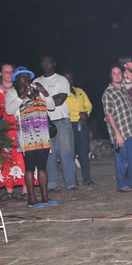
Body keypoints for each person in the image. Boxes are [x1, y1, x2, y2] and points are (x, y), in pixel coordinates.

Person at [6, 67, 54, 207]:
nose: (26, 79)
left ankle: (45, 197)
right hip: (27, 135)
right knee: (29, 168)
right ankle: (31, 198)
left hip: (43, 134)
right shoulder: (12, 93)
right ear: (16, 80)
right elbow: (9, 110)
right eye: (22, 77)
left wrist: (44, 92)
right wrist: (22, 95)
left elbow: (51, 106)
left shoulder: (37, 91)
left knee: (42, 167)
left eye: (28, 76)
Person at [35, 55, 76, 191]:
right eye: (44, 62)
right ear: (41, 64)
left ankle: (71, 183)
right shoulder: (36, 81)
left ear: (54, 63)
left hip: (61, 120)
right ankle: (53, 183)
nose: (46, 64)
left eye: (49, 61)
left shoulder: (62, 80)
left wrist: (44, 97)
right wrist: (49, 99)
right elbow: (34, 102)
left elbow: (59, 101)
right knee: (49, 155)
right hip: (43, 121)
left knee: (66, 153)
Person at [102, 65, 132, 192]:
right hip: (118, 135)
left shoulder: (123, 90)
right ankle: (122, 185)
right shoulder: (108, 93)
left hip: (129, 131)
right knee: (121, 161)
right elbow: (109, 115)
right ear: (110, 76)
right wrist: (117, 133)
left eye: (119, 73)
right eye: (114, 73)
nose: (117, 75)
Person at [1, 63, 28, 200]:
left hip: (19, 127)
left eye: (12, 72)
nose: (9, 74)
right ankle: (9, 191)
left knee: (22, 159)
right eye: (6, 72)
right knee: (6, 160)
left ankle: (25, 190)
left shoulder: (18, 89)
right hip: (4, 129)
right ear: (1, 74)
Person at [63, 71, 94, 185]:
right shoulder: (62, 93)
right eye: (66, 79)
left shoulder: (80, 91)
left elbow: (89, 105)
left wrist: (86, 114)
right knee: (71, 153)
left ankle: (87, 178)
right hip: (70, 124)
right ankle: (72, 179)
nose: (69, 81)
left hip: (83, 123)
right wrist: (78, 114)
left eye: (70, 79)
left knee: (84, 152)